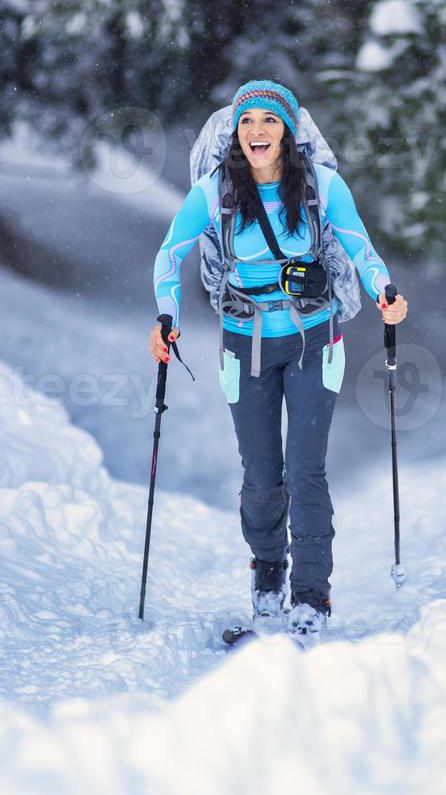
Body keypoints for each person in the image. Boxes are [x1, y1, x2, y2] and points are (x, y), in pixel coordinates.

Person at [149, 79, 408, 644]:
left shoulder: (321, 186)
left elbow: (360, 245)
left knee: (307, 472)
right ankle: (268, 587)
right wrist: (166, 317)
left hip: (316, 340)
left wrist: (385, 290)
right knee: (261, 478)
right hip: (244, 344)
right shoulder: (214, 192)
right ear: (234, 132)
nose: (257, 131)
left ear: (289, 130)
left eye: (269, 120)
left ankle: (312, 600)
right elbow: (168, 256)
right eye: (247, 122)